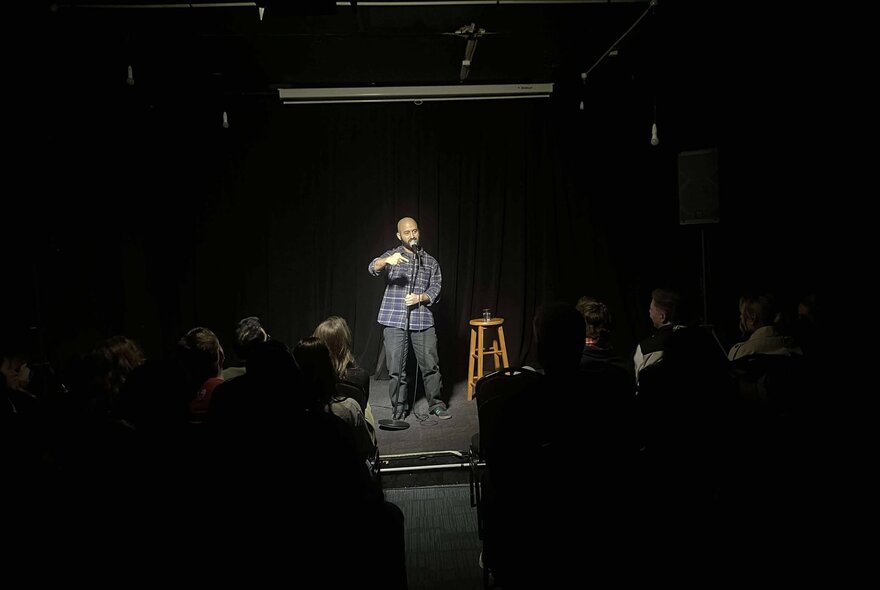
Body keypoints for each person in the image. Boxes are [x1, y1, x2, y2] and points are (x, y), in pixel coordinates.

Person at [368, 216, 449, 420]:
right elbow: (372, 267)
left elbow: (436, 288)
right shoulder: (392, 255)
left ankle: (436, 404)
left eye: (414, 231)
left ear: (418, 232)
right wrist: (386, 260)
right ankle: (399, 407)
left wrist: (421, 297)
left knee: (431, 365)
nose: (411, 235)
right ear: (399, 235)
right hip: (394, 319)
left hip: (422, 319)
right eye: (406, 232)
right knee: (396, 367)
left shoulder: (430, 262)